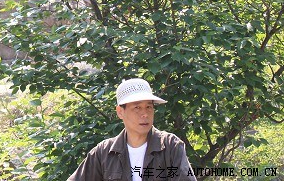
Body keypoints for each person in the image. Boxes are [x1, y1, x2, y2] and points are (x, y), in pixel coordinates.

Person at [67, 78, 197, 181]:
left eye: (149, 107)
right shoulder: (104, 153)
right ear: (120, 112)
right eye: (137, 108)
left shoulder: (170, 146)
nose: (145, 114)